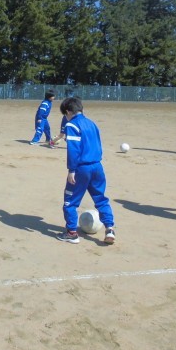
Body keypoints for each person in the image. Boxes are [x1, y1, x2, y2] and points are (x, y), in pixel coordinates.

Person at [57, 97, 116, 244]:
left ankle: (72, 233)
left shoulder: (72, 125)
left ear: (68, 112)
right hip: (97, 166)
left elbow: (73, 150)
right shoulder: (91, 123)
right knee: (100, 198)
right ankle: (110, 228)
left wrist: (72, 170)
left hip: (82, 168)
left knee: (70, 201)